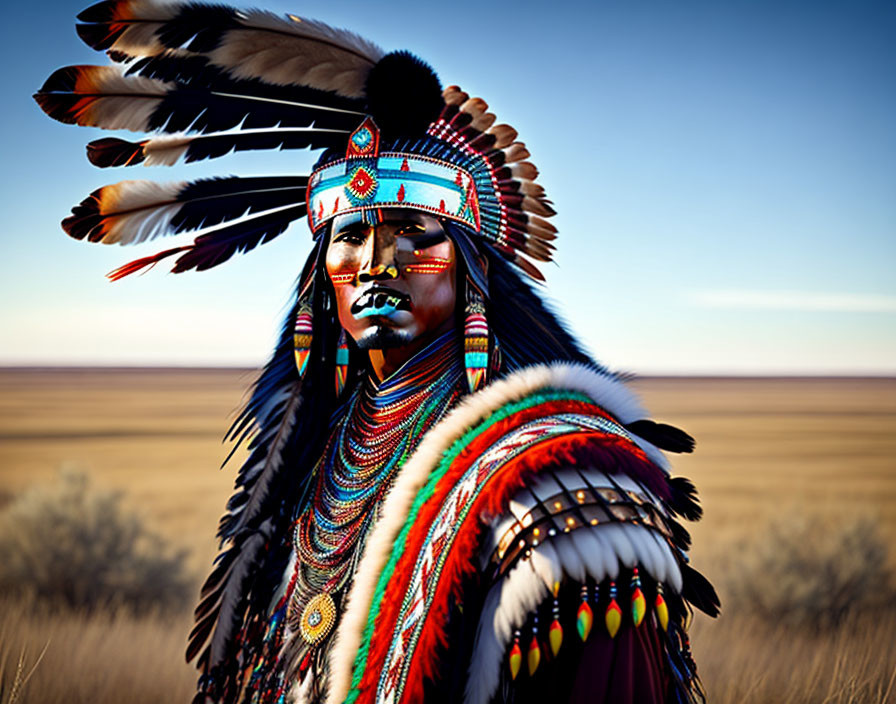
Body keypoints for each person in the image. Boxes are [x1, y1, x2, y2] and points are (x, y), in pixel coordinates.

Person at [35, 2, 719, 703]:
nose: (376, 263)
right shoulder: (302, 459)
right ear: (318, 276)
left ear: (470, 269)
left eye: (414, 234)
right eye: (350, 237)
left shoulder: (563, 486)